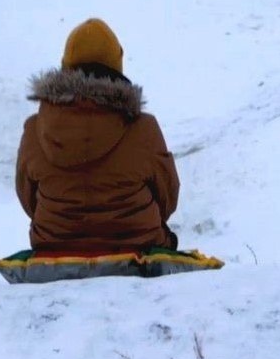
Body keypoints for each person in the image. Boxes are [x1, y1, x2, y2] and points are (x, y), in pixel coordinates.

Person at [15, 18, 180, 253]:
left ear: (66, 66)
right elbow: (167, 198)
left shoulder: (35, 128)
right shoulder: (144, 127)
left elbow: (29, 199)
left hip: (54, 249)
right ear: (117, 66)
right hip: (138, 247)